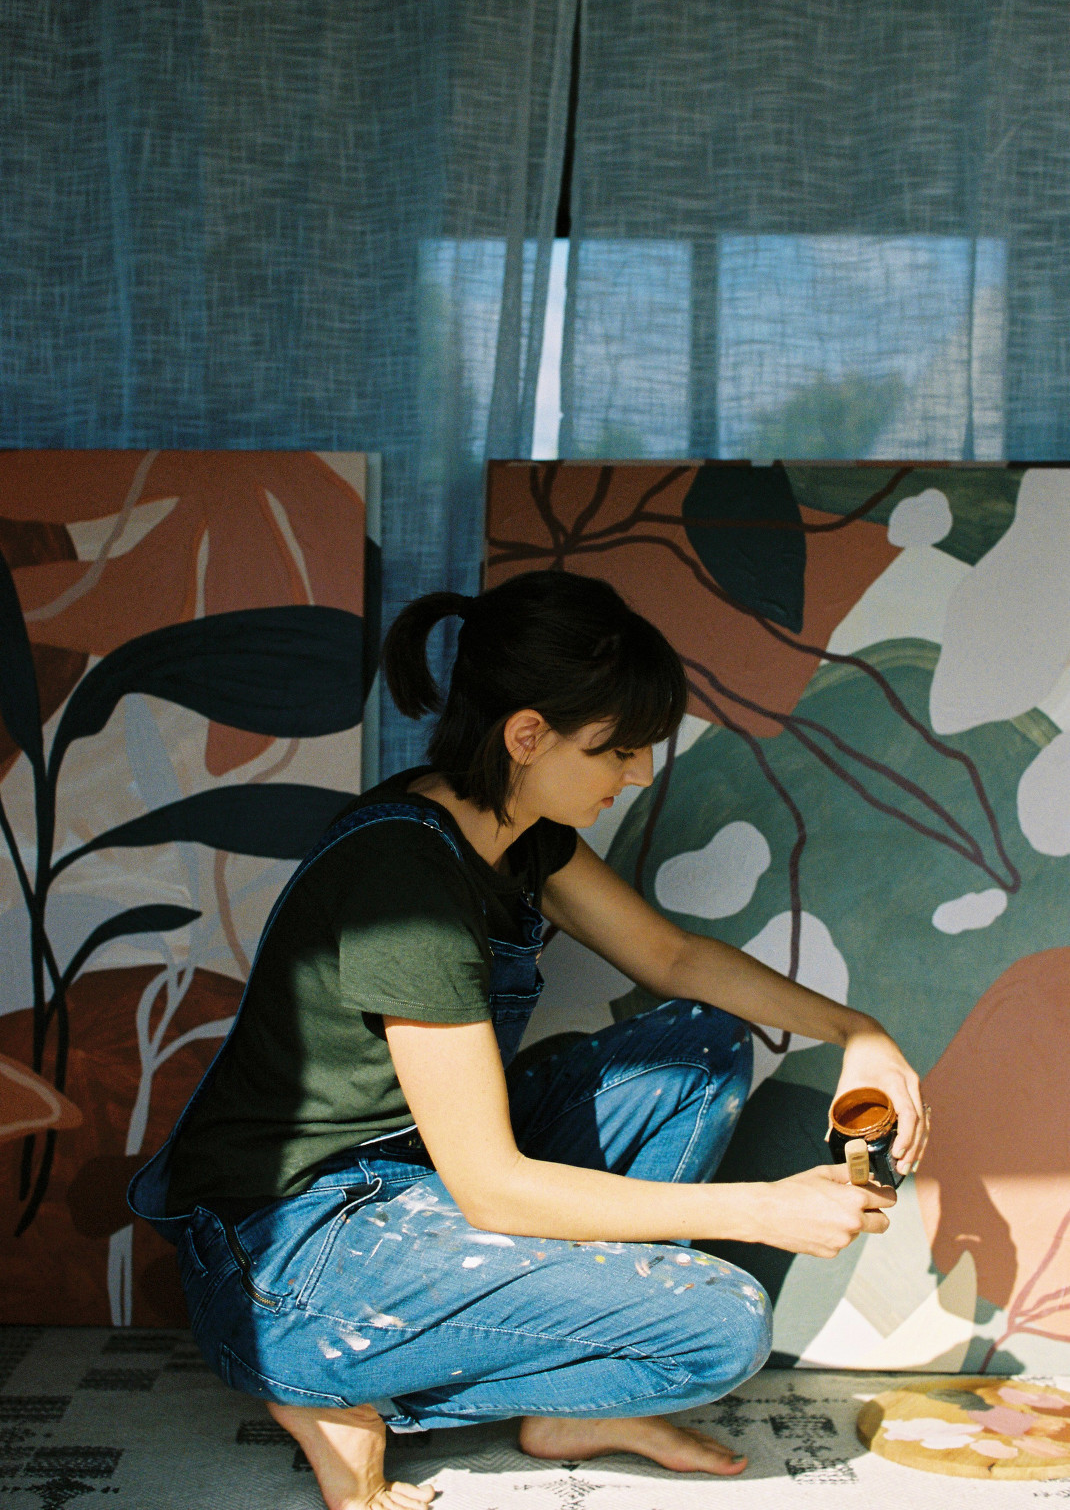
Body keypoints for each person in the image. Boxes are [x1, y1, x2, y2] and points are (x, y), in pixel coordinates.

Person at [129, 570, 926, 1510]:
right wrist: (762, 1211)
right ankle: (327, 1387)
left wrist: (858, 1032)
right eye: (617, 750)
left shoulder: (515, 832)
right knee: (721, 1325)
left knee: (699, 1045)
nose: (640, 774)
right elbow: (492, 1186)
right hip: (295, 1259)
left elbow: (670, 957)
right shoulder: (406, 884)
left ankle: (563, 1410)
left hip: (411, 1185)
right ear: (526, 735)